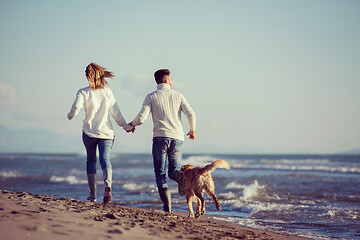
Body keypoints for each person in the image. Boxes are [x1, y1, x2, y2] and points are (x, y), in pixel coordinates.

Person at [129, 69, 196, 213]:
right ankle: (180, 177)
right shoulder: (178, 96)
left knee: (160, 173)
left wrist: (132, 124)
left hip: (160, 137)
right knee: (174, 170)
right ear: (166, 81)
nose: (172, 81)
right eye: (171, 79)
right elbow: (191, 114)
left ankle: (167, 208)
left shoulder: (151, 97)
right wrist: (192, 129)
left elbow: (141, 118)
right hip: (177, 138)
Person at [67, 63, 134, 204]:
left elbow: (75, 107)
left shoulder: (83, 92)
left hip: (89, 133)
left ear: (87, 76)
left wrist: (70, 115)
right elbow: (116, 112)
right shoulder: (107, 91)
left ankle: (93, 196)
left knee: (91, 161)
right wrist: (125, 126)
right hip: (106, 133)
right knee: (105, 159)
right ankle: (108, 185)